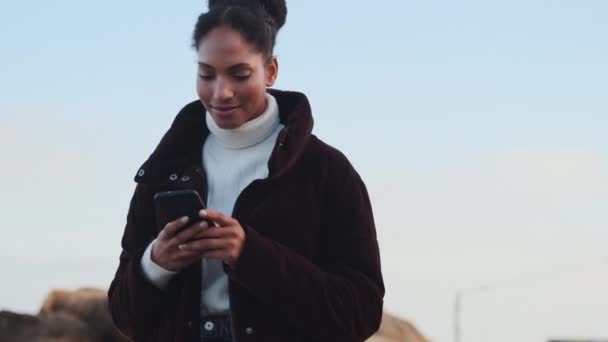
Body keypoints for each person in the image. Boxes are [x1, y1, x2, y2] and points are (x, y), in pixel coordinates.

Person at [107, 1, 384, 341]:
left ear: (271, 70)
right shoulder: (165, 167)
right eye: (206, 74)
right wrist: (156, 263)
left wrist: (250, 254)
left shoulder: (327, 171)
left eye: (239, 74)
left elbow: (361, 313)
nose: (221, 93)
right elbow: (124, 316)